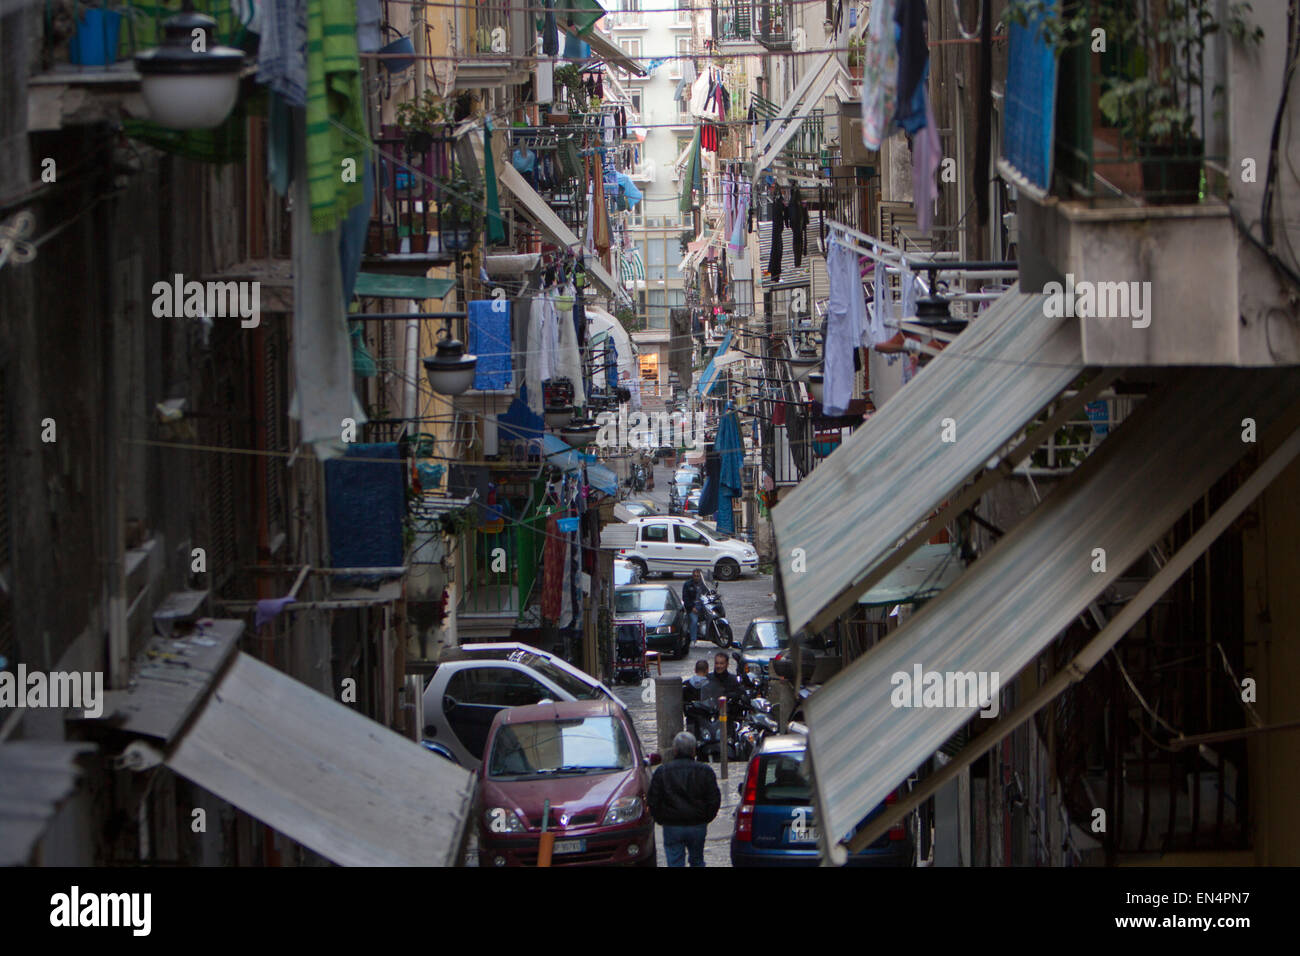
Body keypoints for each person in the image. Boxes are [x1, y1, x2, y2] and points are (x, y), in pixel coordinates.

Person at [647, 731, 721, 867]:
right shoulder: (705, 771)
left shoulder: (662, 772)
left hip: (672, 825)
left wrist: (661, 819)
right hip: (697, 824)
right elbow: (714, 799)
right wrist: (705, 818)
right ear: (694, 750)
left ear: (674, 750)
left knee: (674, 862)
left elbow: (653, 800)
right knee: (697, 860)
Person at [681, 569, 705, 644]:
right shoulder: (687, 585)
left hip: (702, 605)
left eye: (698, 576)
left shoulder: (703, 584)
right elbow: (685, 598)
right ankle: (693, 640)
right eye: (695, 576)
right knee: (694, 621)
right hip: (692, 607)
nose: (696, 577)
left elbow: (708, 592)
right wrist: (692, 607)